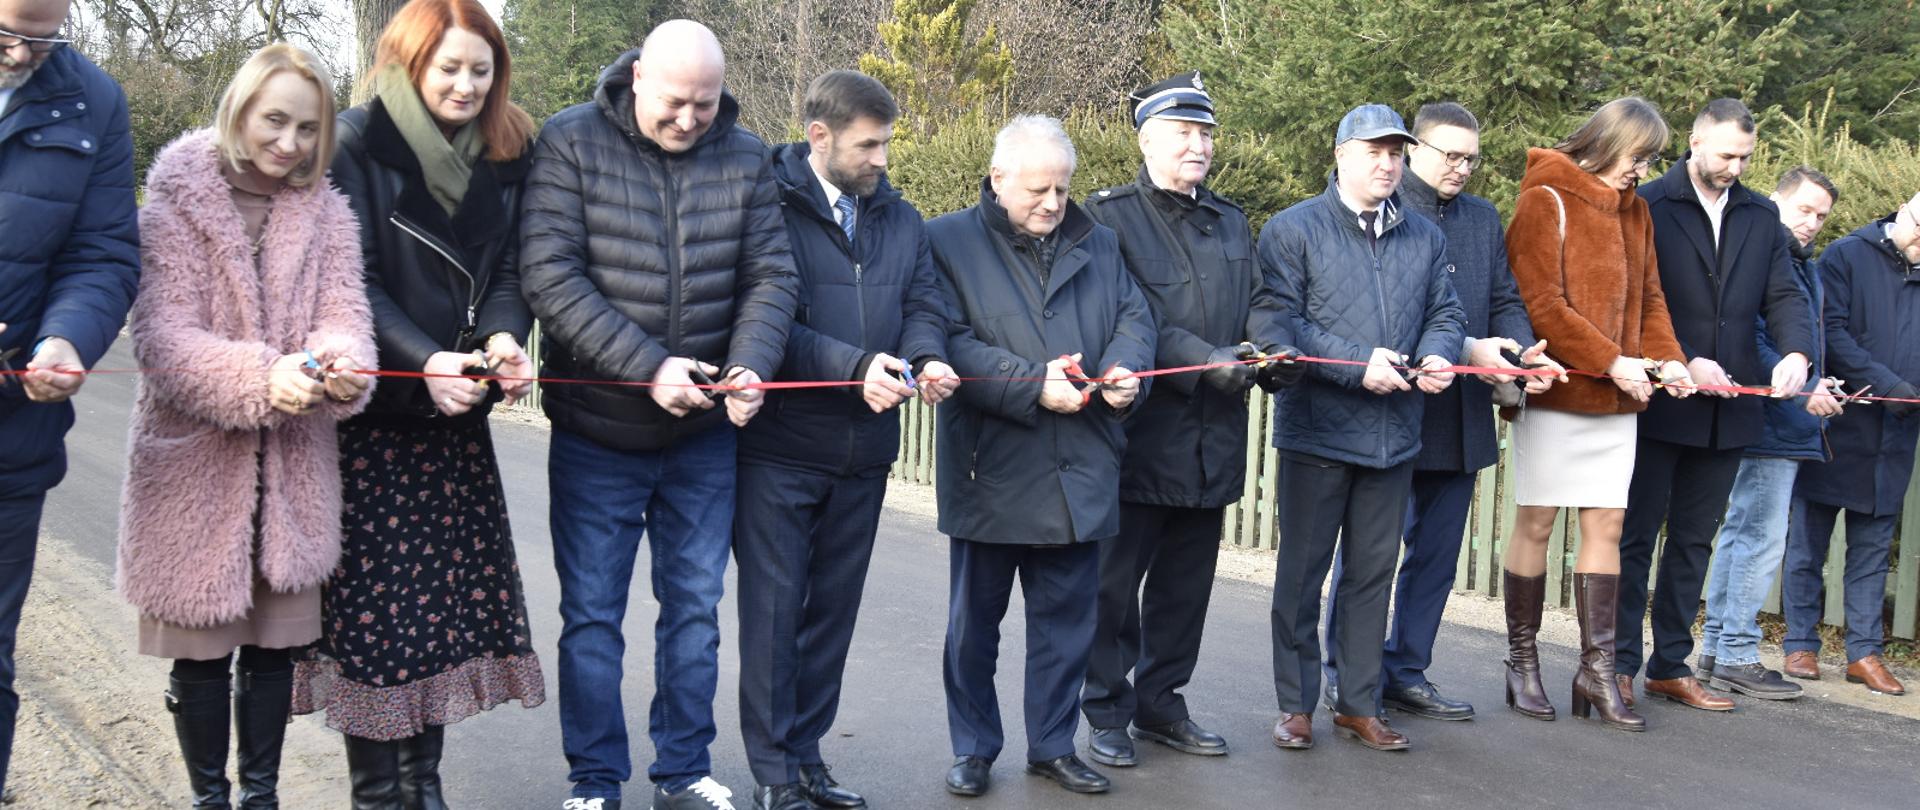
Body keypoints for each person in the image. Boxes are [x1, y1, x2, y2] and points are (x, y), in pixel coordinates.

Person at [519, 19, 799, 810]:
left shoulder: (747, 155)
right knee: (593, 618)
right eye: (675, 102)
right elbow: (549, 275)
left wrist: (750, 363)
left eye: (705, 106)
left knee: (695, 614)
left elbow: (771, 276)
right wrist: (647, 368)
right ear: (638, 77)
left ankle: (682, 771)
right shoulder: (568, 142)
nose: (688, 119)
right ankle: (595, 780)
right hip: (597, 433)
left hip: (703, 440)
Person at [291, 1, 545, 804]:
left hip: (454, 421)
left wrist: (506, 336)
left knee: (437, 615)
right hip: (374, 418)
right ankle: (378, 796)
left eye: (482, 69)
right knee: (374, 623)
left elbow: (507, 269)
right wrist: (420, 359)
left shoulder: (508, 149)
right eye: (450, 68)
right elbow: (349, 276)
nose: (467, 85)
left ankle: (422, 787)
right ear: (406, 63)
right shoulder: (355, 145)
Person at [116, 43, 375, 808]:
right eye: (274, 121)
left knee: (274, 647)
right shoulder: (173, 204)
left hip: (292, 469)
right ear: (239, 110)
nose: (289, 144)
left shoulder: (327, 212)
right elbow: (164, 337)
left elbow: (344, 317)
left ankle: (260, 796)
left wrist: (340, 364)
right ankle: (210, 798)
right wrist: (262, 377)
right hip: (194, 467)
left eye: (306, 128)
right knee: (200, 654)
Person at [732, 70, 955, 810]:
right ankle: (771, 775)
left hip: (866, 456)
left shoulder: (902, 218)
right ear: (819, 136)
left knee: (831, 616)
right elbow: (768, 327)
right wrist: (854, 367)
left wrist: (926, 358)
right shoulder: (768, 205)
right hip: (780, 453)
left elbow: (923, 302)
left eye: (886, 142)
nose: (881, 158)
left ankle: (807, 757)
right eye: (869, 144)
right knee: (773, 616)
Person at [1078, 71, 1300, 769]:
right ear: (1146, 140)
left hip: (1213, 440)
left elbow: (1262, 298)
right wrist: (1206, 359)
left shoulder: (1230, 219)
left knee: (1184, 590)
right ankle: (1106, 710)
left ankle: (1162, 703)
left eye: (1206, 132)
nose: (1198, 145)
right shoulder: (1107, 216)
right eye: (1183, 132)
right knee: (1113, 590)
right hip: (1137, 439)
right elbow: (1128, 314)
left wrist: (1274, 346)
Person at [930, 114, 1154, 798]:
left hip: (1082, 465)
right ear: (998, 180)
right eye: (1037, 190)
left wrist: (1125, 371)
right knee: (974, 630)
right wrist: (1033, 386)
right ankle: (974, 748)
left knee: (1067, 627)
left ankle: (1053, 745)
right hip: (991, 469)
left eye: (1062, 188)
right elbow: (949, 340)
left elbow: (1135, 319)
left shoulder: (1101, 242)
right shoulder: (944, 241)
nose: (1054, 204)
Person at [1321, 101, 1563, 722]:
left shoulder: (1483, 218)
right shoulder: (1385, 212)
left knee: (1434, 558)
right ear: (1416, 152)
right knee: (1370, 557)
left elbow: (1503, 296)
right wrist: (1457, 348)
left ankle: (1407, 670)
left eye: (1471, 158)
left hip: (1460, 418)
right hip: (1395, 411)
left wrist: (1515, 345)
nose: (1460, 168)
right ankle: (1347, 673)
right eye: (1448, 155)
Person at [1259, 104, 1465, 754]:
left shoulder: (1425, 237)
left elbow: (1447, 310)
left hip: (1395, 436)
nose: (1387, 163)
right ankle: (1295, 705)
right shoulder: (1293, 230)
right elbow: (1281, 323)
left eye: (1396, 153)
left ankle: (1357, 702)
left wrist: (1440, 352)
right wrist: (1355, 366)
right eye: (1374, 151)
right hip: (1318, 433)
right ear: (1341, 154)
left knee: (1372, 574)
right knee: (1303, 573)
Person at [1618, 98, 1815, 713]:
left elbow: (1783, 294)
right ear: (1696, 143)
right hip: (1658, 399)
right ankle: (1619, 664)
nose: (1735, 166)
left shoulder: (1760, 216)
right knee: (1635, 538)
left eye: (1746, 157)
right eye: (1727, 154)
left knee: (1695, 541)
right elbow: (1631, 299)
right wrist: (1680, 358)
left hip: (1730, 410)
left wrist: (1796, 353)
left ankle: (1669, 665)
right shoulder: (1648, 203)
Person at [1502, 96, 1690, 732]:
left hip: (1620, 398)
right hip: (1558, 393)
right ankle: (1521, 662)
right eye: (1636, 157)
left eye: (1649, 161)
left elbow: (1653, 303)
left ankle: (1597, 670)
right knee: (1536, 523)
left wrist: (1670, 362)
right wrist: (1613, 360)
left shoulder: (1636, 213)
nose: (1640, 172)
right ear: (1606, 142)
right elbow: (1542, 305)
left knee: (1607, 524)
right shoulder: (1544, 199)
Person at [0, 0, 139, 797]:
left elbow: (102, 254)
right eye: (10, 32)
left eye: (45, 37)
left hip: (14, 438)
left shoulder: (96, 99)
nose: (24, 55)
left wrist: (67, 341)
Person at [1697, 167, 1844, 700]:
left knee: (1743, 535)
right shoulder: (1767, 254)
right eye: (1803, 209)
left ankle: (1716, 650)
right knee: (1757, 539)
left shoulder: (1803, 264)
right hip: (1767, 421)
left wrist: (1813, 381)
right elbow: (1757, 339)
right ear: (1778, 201)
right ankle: (1735, 651)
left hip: (1783, 420)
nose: (1811, 223)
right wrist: (1805, 386)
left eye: (1821, 216)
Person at [1781, 192, 1920, 698]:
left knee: (1871, 550)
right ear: (1903, 213)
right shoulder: (1846, 255)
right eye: (1918, 229)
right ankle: (1799, 642)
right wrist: (1891, 385)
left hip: (1897, 437)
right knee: (1807, 546)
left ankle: (1865, 654)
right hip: (1838, 424)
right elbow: (1830, 334)